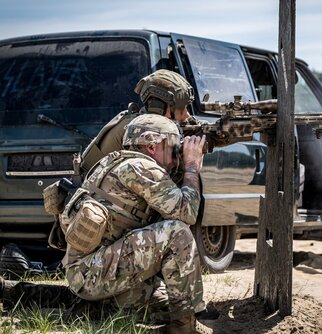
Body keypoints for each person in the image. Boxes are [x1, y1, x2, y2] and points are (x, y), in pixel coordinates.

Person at [1, 114, 214, 334]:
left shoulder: (113, 162)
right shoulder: (141, 168)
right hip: (95, 272)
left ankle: (91, 308)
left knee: (163, 304)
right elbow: (186, 214)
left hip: (90, 271)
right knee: (175, 233)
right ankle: (183, 328)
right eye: (172, 146)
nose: (175, 154)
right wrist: (191, 167)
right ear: (152, 145)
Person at [80, 69, 196, 175]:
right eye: (182, 108)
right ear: (160, 106)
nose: (187, 114)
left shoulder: (144, 121)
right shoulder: (139, 129)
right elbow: (157, 180)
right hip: (96, 193)